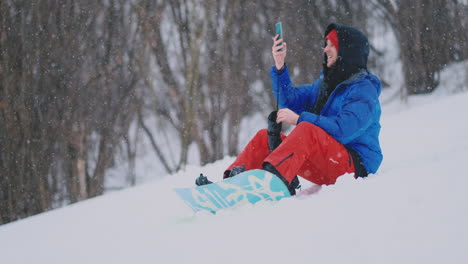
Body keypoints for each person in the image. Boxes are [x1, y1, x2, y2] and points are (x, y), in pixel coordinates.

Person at [196, 23, 383, 195]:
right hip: (327, 162)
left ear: (347, 51)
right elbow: (290, 100)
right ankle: (231, 185)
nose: (325, 49)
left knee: (307, 129)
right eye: (325, 44)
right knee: (264, 138)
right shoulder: (325, 85)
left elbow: (343, 130)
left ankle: (273, 182)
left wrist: (299, 119)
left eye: (331, 45)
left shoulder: (363, 89)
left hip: (354, 168)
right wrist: (280, 66)